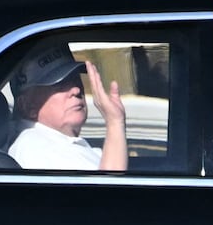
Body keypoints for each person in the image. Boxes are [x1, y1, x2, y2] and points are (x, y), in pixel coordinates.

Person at [7, 42, 128, 171]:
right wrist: (114, 123)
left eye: (76, 79)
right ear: (27, 106)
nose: (76, 90)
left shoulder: (54, 144)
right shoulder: (34, 147)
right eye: (59, 85)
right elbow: (106, 190)